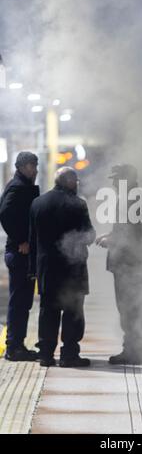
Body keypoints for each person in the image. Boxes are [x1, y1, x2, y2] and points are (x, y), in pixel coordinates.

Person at [29, 167, 96, 367]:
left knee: (48, 309)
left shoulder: (38, 203)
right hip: (72, 267)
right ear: (68, 181)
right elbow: (89, 235)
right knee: (73, 310)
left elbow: (32, 239)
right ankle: (69, 355)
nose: (77, 184)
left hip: (47, 267)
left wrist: (33, 269)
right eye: (75, 181)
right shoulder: (78, 204)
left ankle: (45, 354)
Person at [96, 164, 142, 365]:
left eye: (116, 179)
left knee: (131, 307)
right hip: (130, 263)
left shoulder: (133, 197)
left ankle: (134, 352)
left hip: (130, 263)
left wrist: (112, 241)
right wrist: (111, 235)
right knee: (129, 307)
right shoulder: (132, 196)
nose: (112, 183)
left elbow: (133, 234)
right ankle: (133, 349)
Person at [0, 151, 39, 361]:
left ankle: (16, 344)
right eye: (32, 165)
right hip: (18, 251)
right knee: (19, 301)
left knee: (23, 301)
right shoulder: (18, 187)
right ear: (22, 167)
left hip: (18, 251)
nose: (36, 169)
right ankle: (14, 347)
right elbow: (5, 213)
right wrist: (21, 240)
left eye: (36, 165)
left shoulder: (18, 185)